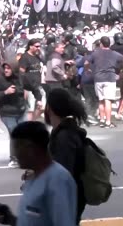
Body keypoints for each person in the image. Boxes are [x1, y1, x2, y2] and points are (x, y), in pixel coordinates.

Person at [0, 121, 77, 226]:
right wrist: (10, 219)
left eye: (17, 148)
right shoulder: (32, 179)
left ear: (30, 148)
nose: (15, 154)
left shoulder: (58, 180)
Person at [44, 88, 88, 224]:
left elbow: (62, 172)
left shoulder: (65, 136)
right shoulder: (62, 132)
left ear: (50, 108)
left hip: (66, 200)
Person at [0, 62, 34, 168]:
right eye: (5, 68)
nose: (6, 70)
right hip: (7, 113)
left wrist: (38, 98)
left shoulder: (21, 78)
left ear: (14, 69)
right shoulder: (0, 80)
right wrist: (5, 92)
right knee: (14, 133)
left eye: (8, 68)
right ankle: (14, 158)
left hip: (21, 111)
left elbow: (32, 86)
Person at [84, 36, 123, 128]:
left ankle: (102, 120)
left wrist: (87, 70)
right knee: (108, 100)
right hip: (109, 78)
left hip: (98, 78)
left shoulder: (95, 53)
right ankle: (108, 122)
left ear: (101, 44)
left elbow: (86, 63)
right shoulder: (114, 53)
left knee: (101, 100)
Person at [19, 39, 44, 121]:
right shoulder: (25, 57)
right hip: (28, 87)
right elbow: (21, 73)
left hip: (37, 86)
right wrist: (23, 89)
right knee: (30, 109)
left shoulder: (37, 57)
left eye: (39, 46)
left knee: (41, 107)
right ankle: (28, 127)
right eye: (37, 46)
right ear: (30, 46)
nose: (38, 48)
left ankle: (32, 122)